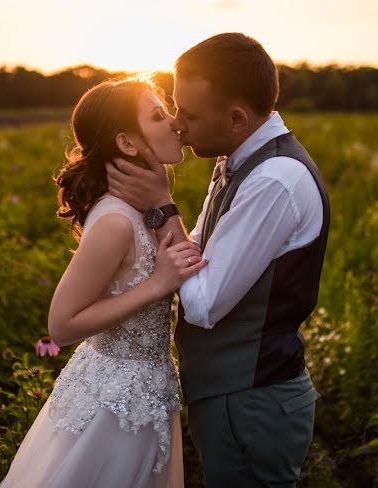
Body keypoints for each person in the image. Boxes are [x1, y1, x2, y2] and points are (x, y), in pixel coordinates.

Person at [107, 33, 330, 487]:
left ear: (236, 117)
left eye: (188, 114)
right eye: (173, 107)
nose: (176, 125)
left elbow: (204, 303)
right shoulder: (238, 158)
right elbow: (201, 250)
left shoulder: (274, 179)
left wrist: (162, 209)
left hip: (251, 400)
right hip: (234, 396)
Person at [0, 78, 206, 488]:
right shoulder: (114, 221)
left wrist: (162, 203)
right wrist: (157, 283)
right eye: (157, 115)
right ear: (127, 144)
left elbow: (188, 260)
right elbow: (61, 324)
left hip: (147, 393)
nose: (175, 123)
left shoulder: (141, 208)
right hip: (113, 407)